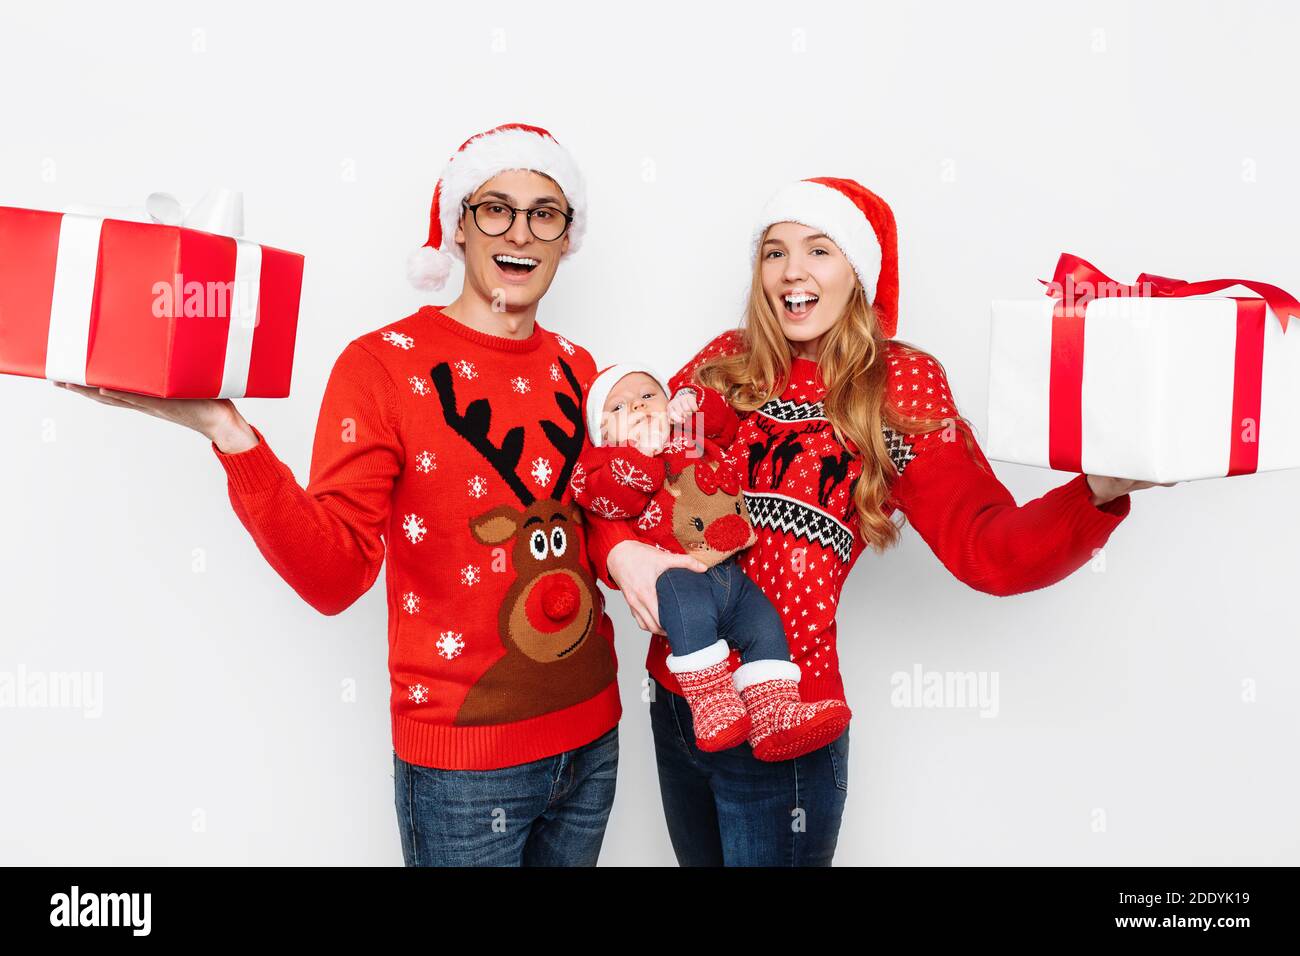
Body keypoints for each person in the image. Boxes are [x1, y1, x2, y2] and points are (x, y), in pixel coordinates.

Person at [54, 122, 703, 867]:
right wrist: (230, 435)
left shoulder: (584, 370)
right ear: (457, 226)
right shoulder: (380, 368)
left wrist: (639, 552)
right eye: (495, 208)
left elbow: (595, 518)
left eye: (545, 212)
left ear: (567, 237)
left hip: (592, 738)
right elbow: (336, 577)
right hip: (462, 765)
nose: (519, 231)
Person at [600, 176, 1175, 867]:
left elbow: (987, 548)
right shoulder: (725, 368)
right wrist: (622, 559)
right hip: (680, 703)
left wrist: (1097, 492)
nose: (792, 272)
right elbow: (619, 481)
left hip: (787, 727)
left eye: (820, 250)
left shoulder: (896, 385)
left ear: (858, 274)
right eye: (774, 252)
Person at [571, 364, 851, 759]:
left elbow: (724, 426)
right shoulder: (603, 462)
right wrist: (637, 455)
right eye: (619, 408)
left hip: (728, 570)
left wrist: (693, 402)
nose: (638, 406)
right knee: (692, 622)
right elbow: (606, 502)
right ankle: (711, 704)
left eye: (649, 396)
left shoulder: (688, 434)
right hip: (677, 574)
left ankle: (775, 710)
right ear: (601, 432)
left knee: (763, 623)